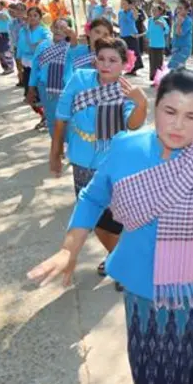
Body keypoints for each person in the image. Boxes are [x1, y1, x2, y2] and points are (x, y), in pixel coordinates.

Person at [28, 67, 193, 384]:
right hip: (144, 298)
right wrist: (69, 248)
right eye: (170, 111)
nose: (178, 124)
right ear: (155, 107)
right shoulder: (125, 149)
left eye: (191, 116)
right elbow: (93, 197)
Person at [49, 37, 148, 289]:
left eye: (113, 60)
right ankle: (119, 257)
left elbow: (133, 124)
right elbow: (62, 115)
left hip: (112, 164)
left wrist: (141, 102)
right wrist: (55, 151)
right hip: (82, 162)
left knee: (114, 219)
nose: (106, 65)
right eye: (101, 59)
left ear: (124, 64)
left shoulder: (126, 90)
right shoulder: (80, 79)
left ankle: (124, 262)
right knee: (95, 220)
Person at [28, 19, 75, 135]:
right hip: (45, 88)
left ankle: (68, 145)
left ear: (68, 31)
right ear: (51, 29)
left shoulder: (71, 47)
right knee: (52, 118)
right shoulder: (43, 45)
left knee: (68, 118)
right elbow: (35, 68)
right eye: (56, 27)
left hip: (66, 88)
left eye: (63, 28)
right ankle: (57, 148)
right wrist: (31, 88)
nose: (59, 30)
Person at [118, 0, 142, 75]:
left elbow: (136, 17)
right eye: (123, 3)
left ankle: (134, 69)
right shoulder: (120, 12)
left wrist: (133, 8)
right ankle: (127, 68)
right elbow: (119, 23)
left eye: (125, 3)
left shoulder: (132, 12)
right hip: (123, 35)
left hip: (132, 35)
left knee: (134, 52)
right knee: (124, 53)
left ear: (129, 5)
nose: (123, 5)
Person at [167, 0, 193, 70]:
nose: (178, 10)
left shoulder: (188, 21)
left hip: (184, 48)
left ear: (187, 10)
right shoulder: (177, 18)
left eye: (181, 8)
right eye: (178, 8)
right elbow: (174, 33)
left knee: (172, 66)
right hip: (176, 47)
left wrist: (179, 24)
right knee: (180, 69)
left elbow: (179, 33)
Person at [147, 4, 170, 83]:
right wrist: (143, 36)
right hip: (151, 44)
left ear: (160, 12)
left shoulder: (162, 20)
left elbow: (167, 30)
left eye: (155, 10)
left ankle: (159, 79)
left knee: (158, 63)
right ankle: (153, 78)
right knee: (152, 62)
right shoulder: (150, 20)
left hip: (159, 45)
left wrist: (162, 25)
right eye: (152, 10)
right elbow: (148, 31)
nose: (153, 12)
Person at [0, 0, 15, 75]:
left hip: (5, 35)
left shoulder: (5, 13)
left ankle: (10, 66)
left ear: (2, 5)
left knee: (6, 50)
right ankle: (5, 67)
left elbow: (9, 23)